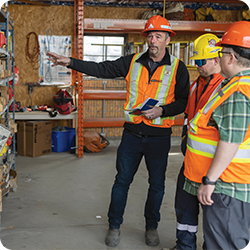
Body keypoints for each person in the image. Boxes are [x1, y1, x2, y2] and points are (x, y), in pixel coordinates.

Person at [47, 15, 190, 247]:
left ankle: (151, 226)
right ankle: (114, 225)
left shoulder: (178, 68)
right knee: (121, 181)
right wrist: (70, 62)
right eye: (150, 36)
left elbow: (183, 102)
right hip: (132, 135)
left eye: (158, 36)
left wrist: (162, 110)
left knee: (157, 186)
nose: (153, 40)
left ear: (167, 40)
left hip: (159, 138)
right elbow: (101, 68)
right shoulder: (132, 62)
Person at [183, 21, 250, 250]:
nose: (218, 58)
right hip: (231, 182)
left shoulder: (239, 91)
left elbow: (231, 141)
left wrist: (209, 181)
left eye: (221, 53)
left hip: (226, 184)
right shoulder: (239, 85)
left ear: (231, 57)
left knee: (224, 244)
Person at [162, 33, 224, 250]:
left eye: (201, 61)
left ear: (217, 60)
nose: (197, 66)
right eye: (195, 61)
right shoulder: (194, 86)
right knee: (184, 206)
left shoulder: (225, 89)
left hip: (213, 167)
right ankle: (185, 246)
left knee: (213, 213)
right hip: (191, 162)